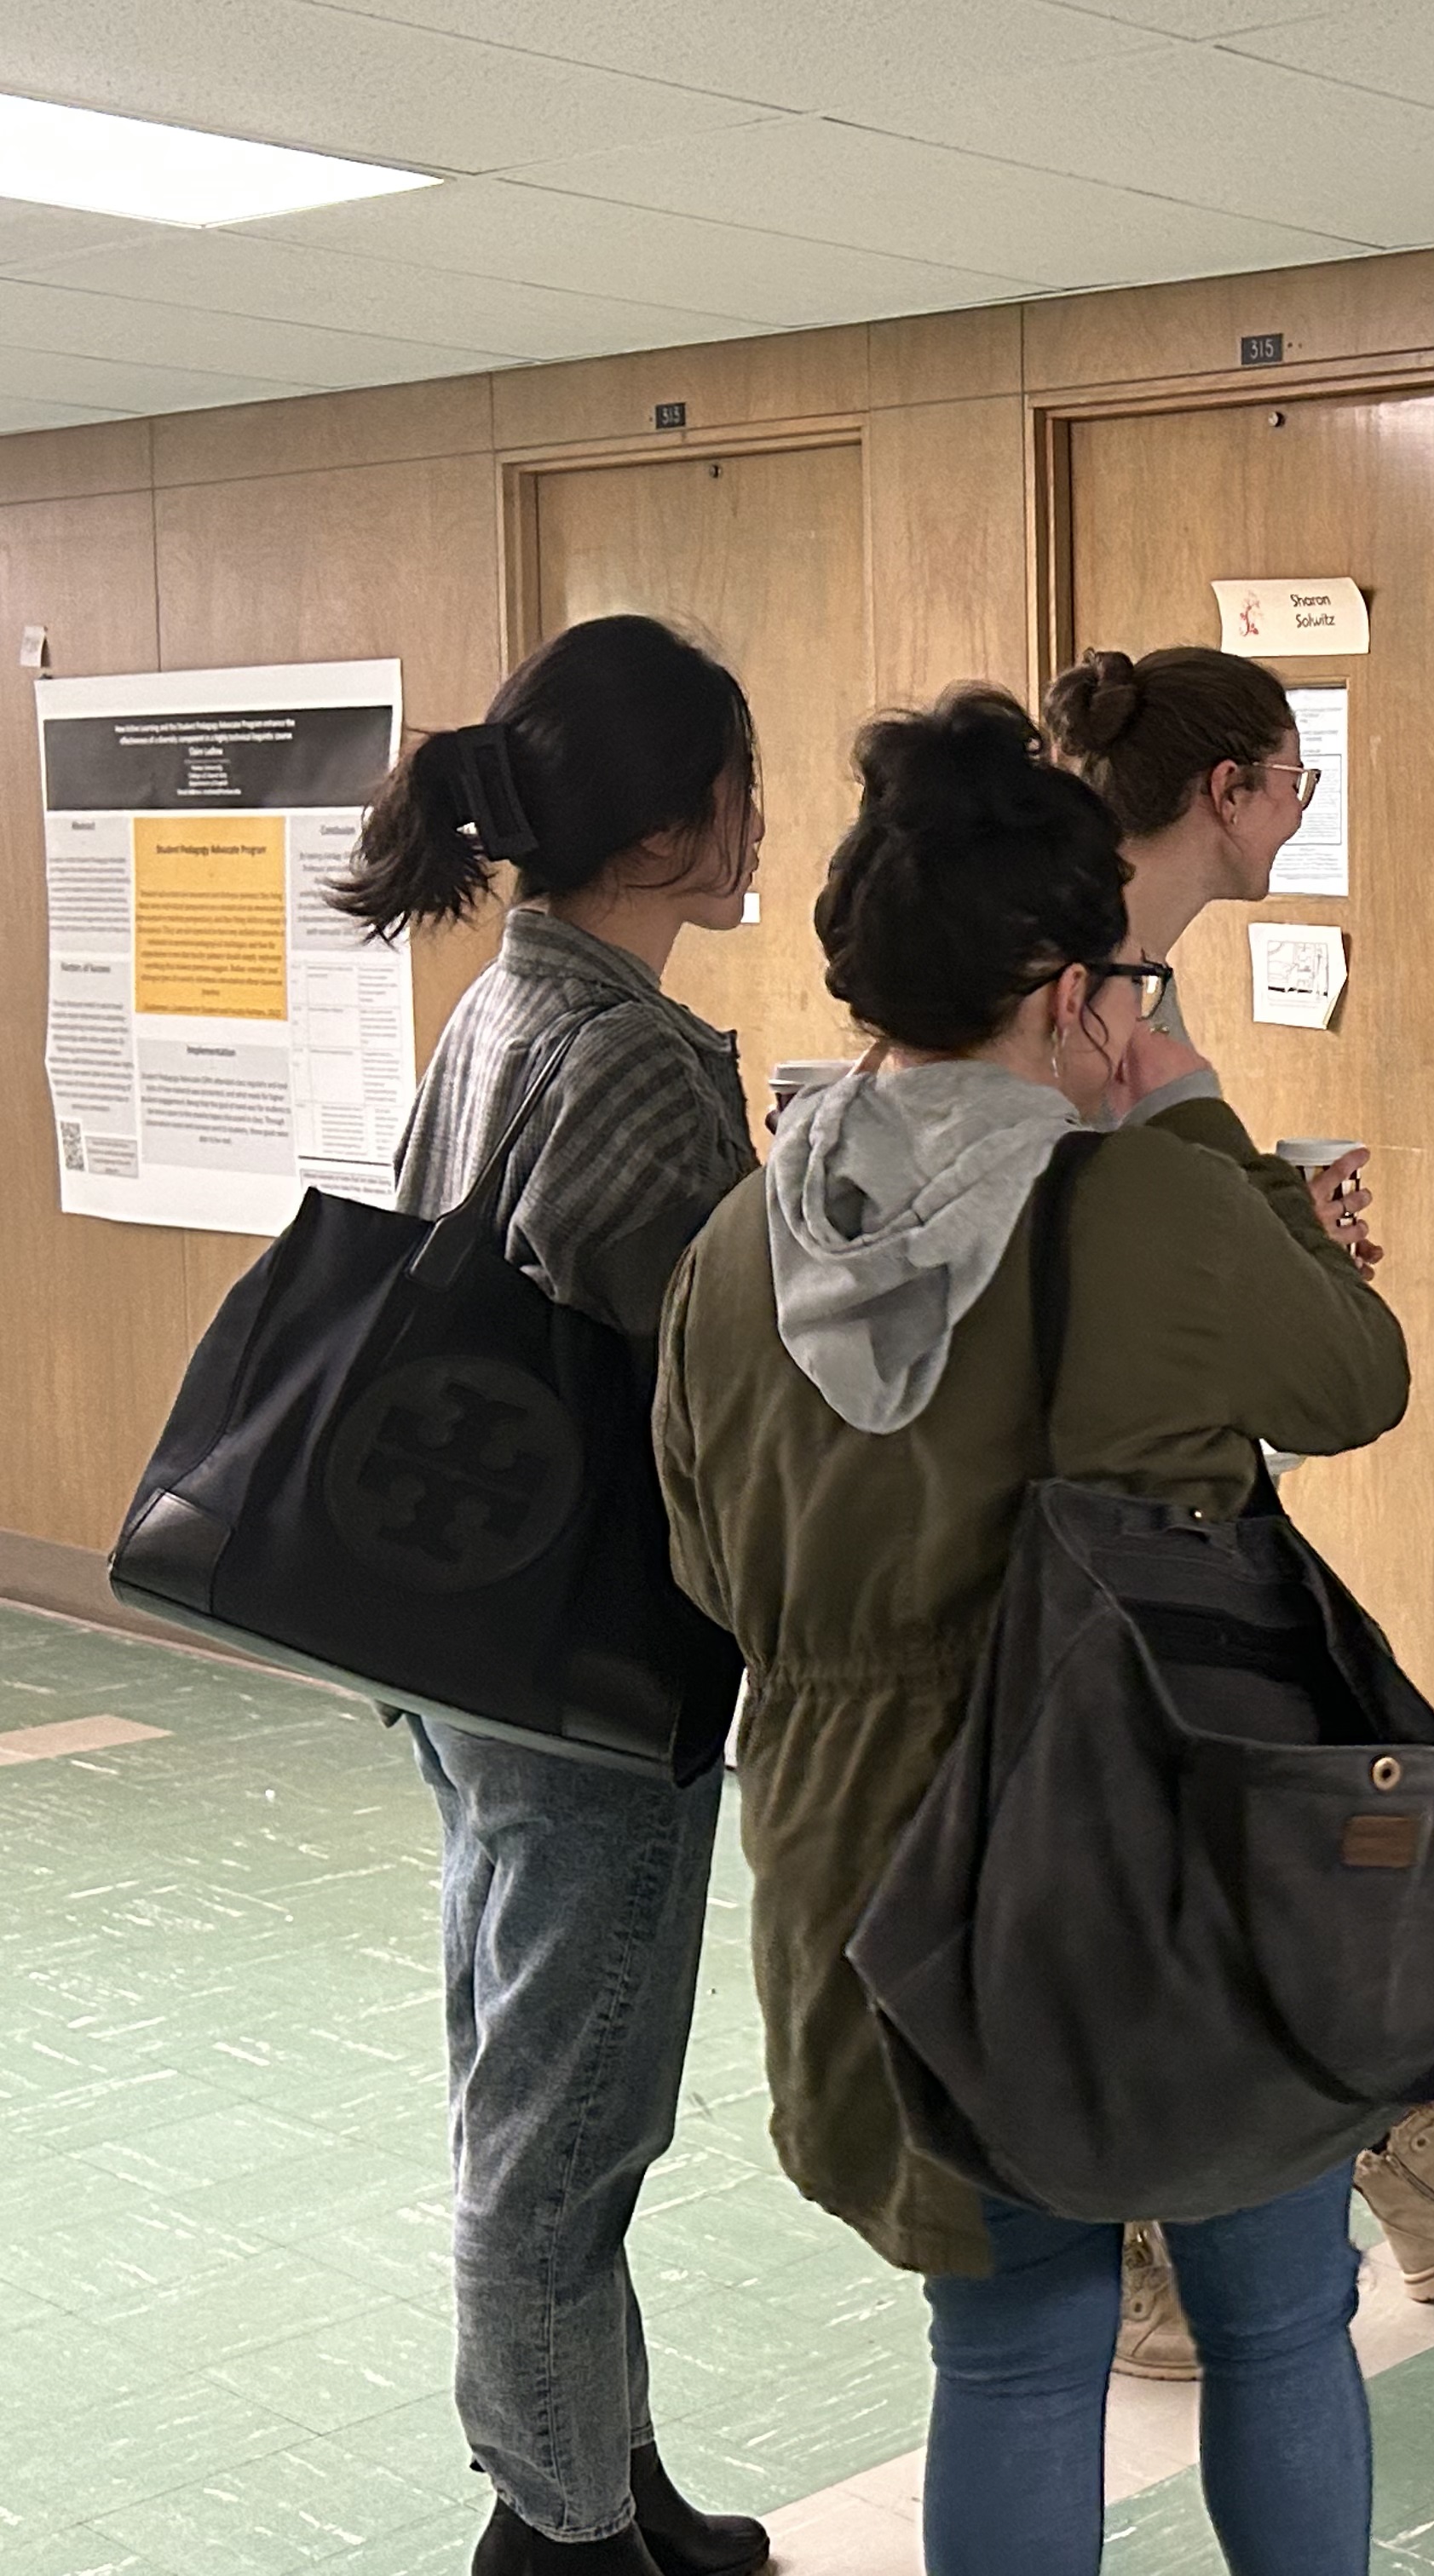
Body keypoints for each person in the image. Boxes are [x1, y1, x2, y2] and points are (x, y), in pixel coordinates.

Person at [650, 687, 1407, 2576]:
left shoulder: (735, 1249)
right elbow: (1357, 1377)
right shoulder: (1140, 1201)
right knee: (1277, 2321)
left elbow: (703, 1568)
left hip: (864, 1883)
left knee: (1008, 2350)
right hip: (1162, 1860)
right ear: (1081, 995)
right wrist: (1206, 1122)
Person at [1041, 643, 1434, 2378]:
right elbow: (1150, 1221)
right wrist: (1275, 1255)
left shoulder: (1140, 967)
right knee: (1196, 1882)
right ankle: (1153, 2254)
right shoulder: (1087, 977)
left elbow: (1176, 1194)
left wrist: (1273, 1239)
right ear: (1229, 791)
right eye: (1298, 777)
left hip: (1171, 1505)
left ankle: (1422, 2174)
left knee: (1285, 1845)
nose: (1305, 807)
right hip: (1105, 1536)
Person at [337, 614, 775, 2576]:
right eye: (743, 789)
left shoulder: (515, 998)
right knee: (566, 2128)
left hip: (472, 1648)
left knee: (544, 2086)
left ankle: (606, 2477)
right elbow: (707, 1374)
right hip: (590, 1671)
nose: (765, 824)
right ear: (677, 832)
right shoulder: (629, 1060)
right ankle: (556, 2534)